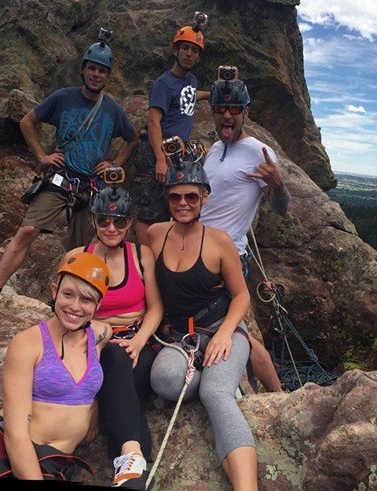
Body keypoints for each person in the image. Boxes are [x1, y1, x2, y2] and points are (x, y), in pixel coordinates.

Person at [0, 31, 140, 328]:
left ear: (107, 75)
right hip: (61, 178)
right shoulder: (63, 98)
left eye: (101, 70)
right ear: (83, 69)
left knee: (76, 251)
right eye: (92, 67)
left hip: (90, 185)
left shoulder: (113, 109)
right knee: (27, 230)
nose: (96, 74)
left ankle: (62, 306)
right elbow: (28, 122)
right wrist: (41, 155)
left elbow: (133, 138)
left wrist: (116, 163)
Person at [0, 251, 113, 481]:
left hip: (52, 461)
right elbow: (16, 434)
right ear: (54, 291)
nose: (75, 307)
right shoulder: (27, 344)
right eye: (68, 294)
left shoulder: (100, 334)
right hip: (10, 453)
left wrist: (92, 403)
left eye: (86, 299)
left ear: (98, 304)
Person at [146, 159, 259, 490]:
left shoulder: (220, 241)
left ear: (204, 197)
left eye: (191, 197)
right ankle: (217, 377)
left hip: (222, 328)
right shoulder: (155, 235)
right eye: (175, 197)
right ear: (167, 198)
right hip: (183, 336)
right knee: (164, 381)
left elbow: (241, 296)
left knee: (215, 392)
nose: (183, 204)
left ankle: (246, 486)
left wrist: (226, 334)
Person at [199, 72, 289, 393]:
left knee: (235, 332)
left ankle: (276, 395)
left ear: (245, 113)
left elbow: (281, 207)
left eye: (234, 109)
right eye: (220, 108)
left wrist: (277, 185)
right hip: (198, 252)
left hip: (228, 257)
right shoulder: (213, 150)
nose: (227, 114)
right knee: (232, 330)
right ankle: (277, 394)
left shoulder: (259, 152)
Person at [69, 187, 163, 488]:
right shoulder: (77, 257)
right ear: (93, 221)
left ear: (130, 222)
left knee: (118, 365)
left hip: (139, 341)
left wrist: (138, 341)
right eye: (104, 221)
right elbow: (66, 307)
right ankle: (133, 462)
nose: (111, 228)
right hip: (93, 343)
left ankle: (127, 458)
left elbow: (156, 308)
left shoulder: (140, 254)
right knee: (114, 359)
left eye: (119, 222)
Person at [129, 15, 212, 226]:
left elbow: (190, 94)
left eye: (194, 51)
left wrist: (211, 94)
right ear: (175, 50)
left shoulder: (191, 81)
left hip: (178, 151)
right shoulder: (163, 84)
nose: (189, 54)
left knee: (176, 207)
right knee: (150, 212)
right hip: (157, 151)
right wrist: (159, 158)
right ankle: (146, 257)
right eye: (185, 48)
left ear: (198, 57)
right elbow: (153, 122)